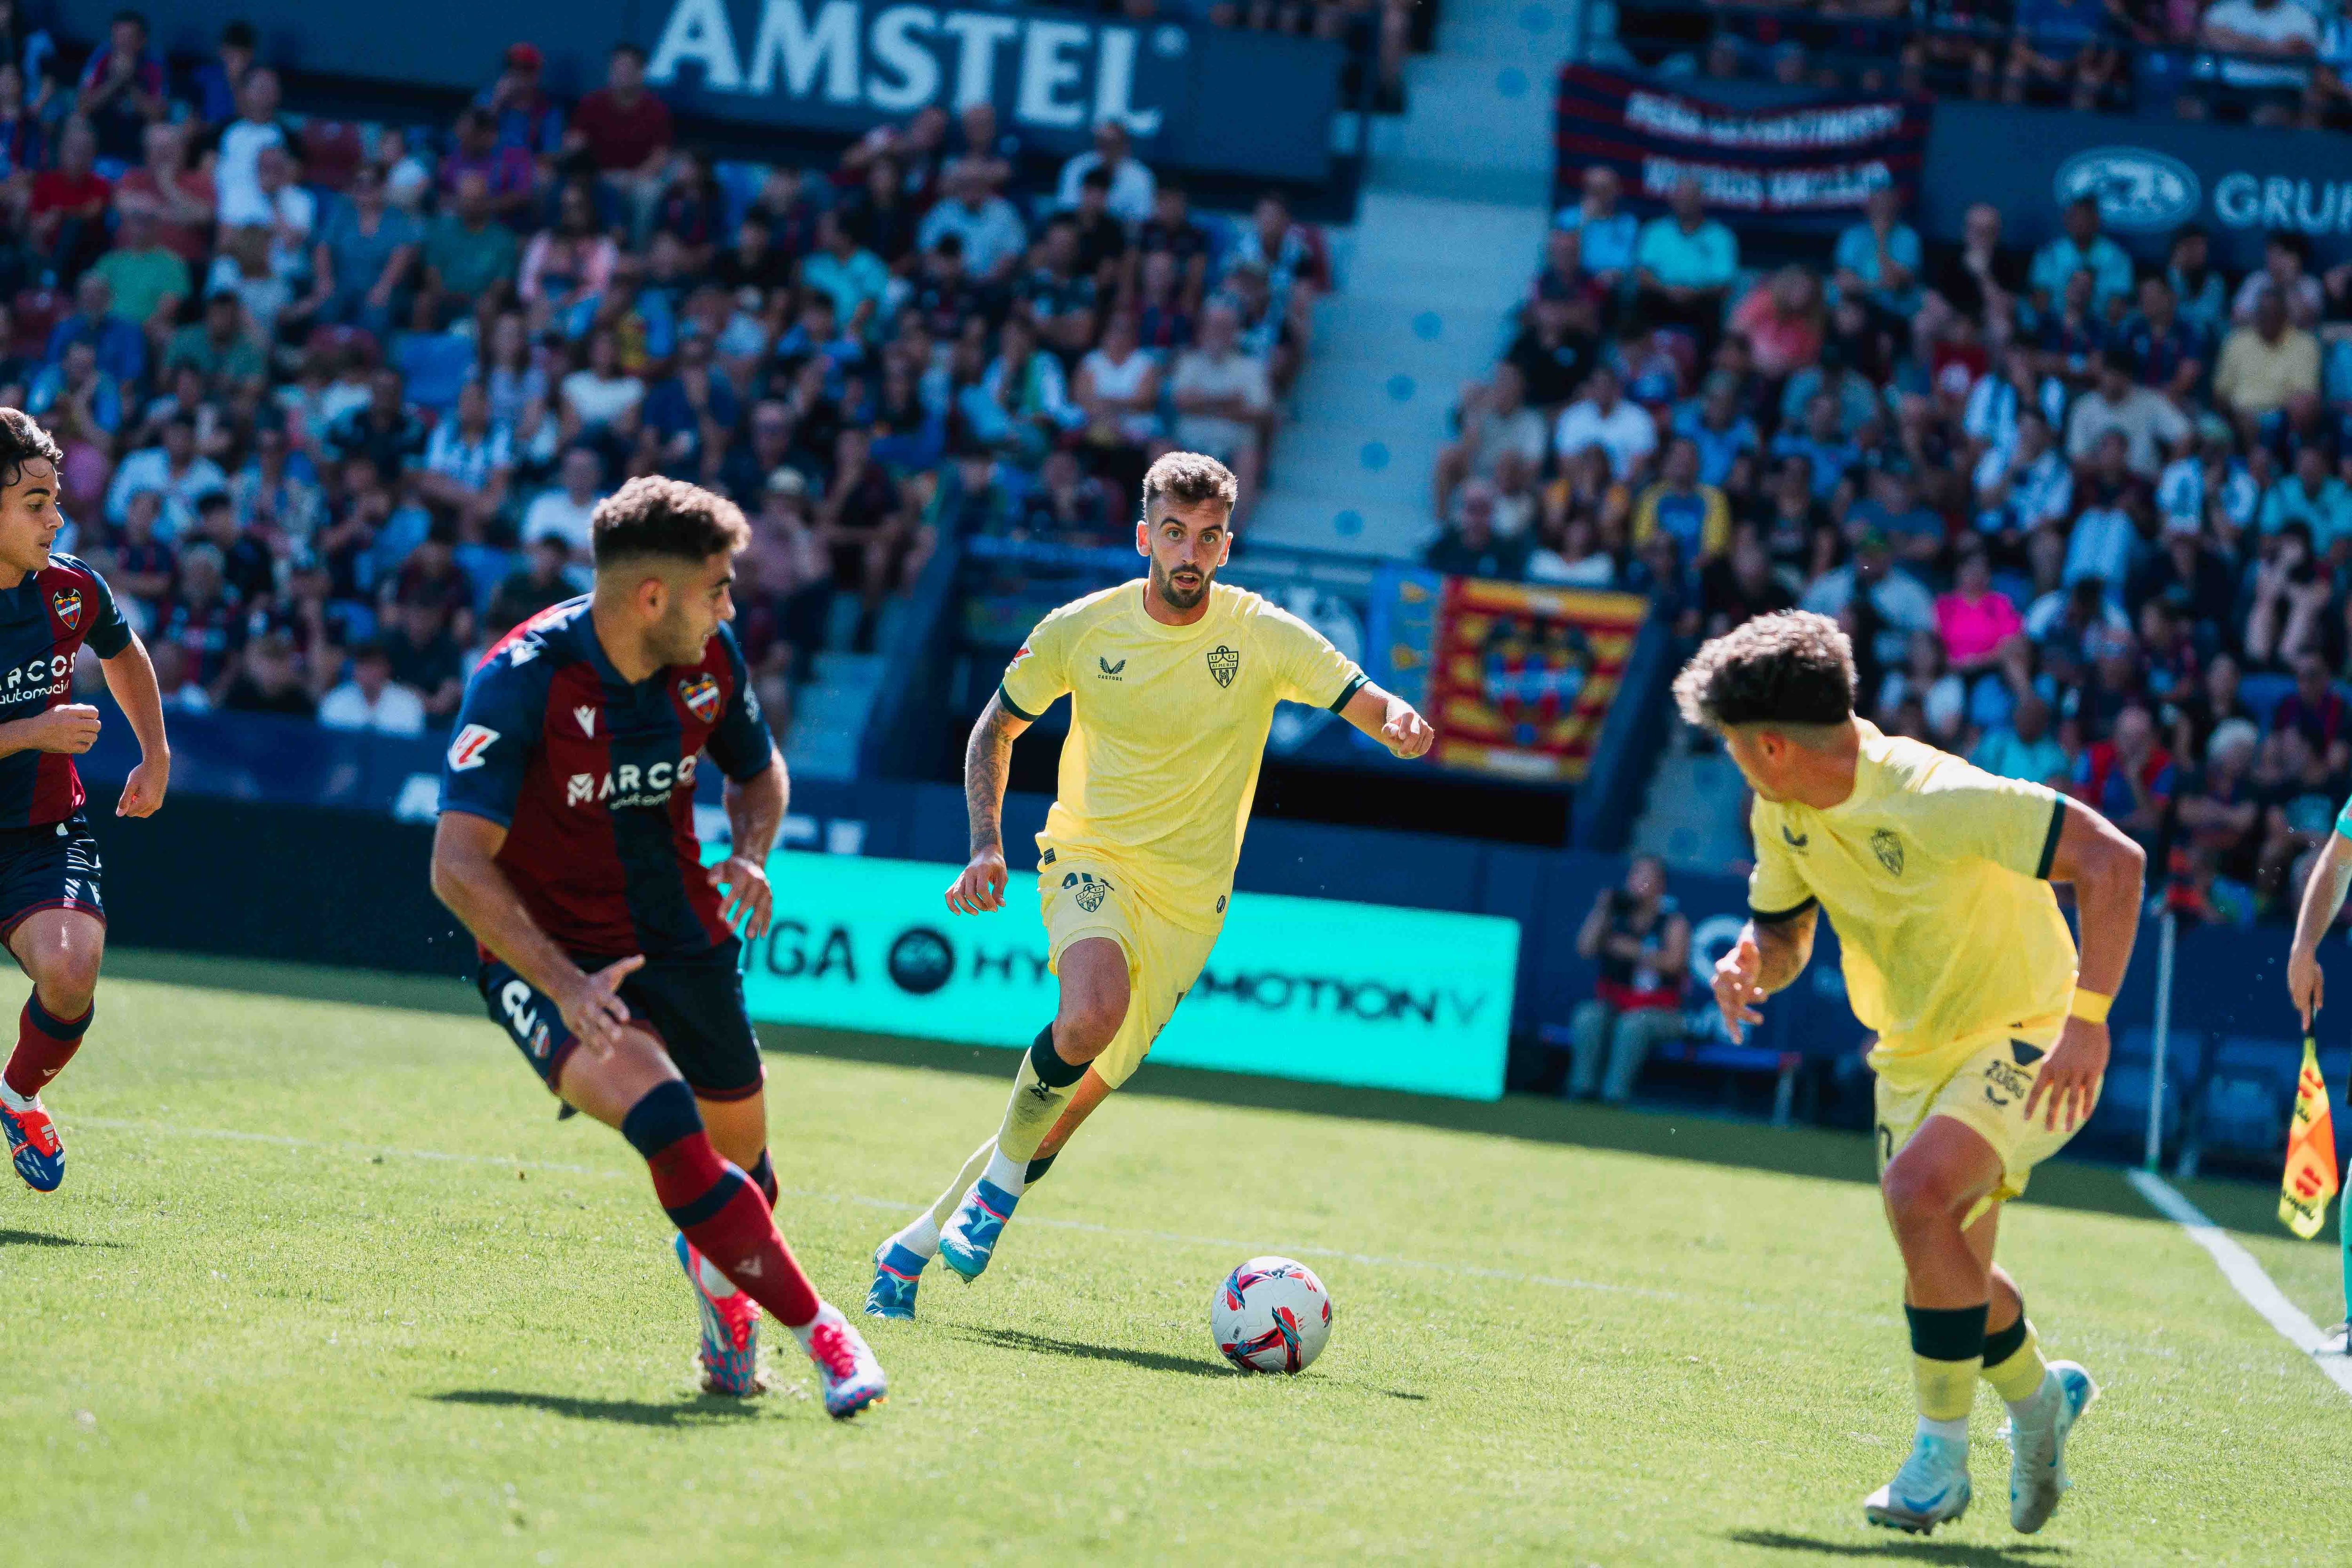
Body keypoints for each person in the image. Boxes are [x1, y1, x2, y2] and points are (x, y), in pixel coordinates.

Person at [866, 453, 1435, 1318]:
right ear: (1144, 536)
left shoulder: (1262, 632)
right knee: (1088, 1012)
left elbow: (1362, 698)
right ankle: (994, 1199)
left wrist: (1395, 719)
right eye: (1174, 532)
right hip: (1089, 858)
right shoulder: (1080, 627)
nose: (1189, 553)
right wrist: (986, 844)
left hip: (1190, 903)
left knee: (1061, 1109)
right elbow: (996, 726)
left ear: (1227, 546)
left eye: (1207, 537)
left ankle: (914, 1245)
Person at [429, 475, 886, 1414]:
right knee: (671, 1125)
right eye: (718, 585)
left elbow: (760, 779)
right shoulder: (524, 678)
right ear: (652, 596)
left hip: (683, 934)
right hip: (556, 954)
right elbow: (457, 865)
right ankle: (825, 1336)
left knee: (746, 1171)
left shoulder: (711, 655)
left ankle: (723, 1302)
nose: (730, 604)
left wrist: (752, 854)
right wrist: (559, 982)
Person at [1685, 610, 2142, 1536]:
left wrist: (2088, 1023)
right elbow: (1784, 931)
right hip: (1912, 1053)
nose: (1731, 759)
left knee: (1915, 1190)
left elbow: (2111, 860)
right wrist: (1747, 960)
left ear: (1770, 745)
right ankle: (2037, 1398)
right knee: (1949, 1263)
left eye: (1732, 743)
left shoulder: (1934, 793)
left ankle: (1938, 1457)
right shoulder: (1778, 808)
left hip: (2031, 1031)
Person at [0, 409, 172, 1194]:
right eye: (35, 503)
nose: (55, 517)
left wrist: (156, 751)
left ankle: (17, 1095)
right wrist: (34, 727)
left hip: (40, 832)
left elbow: (122, 651)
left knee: (72, 970)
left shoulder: (70, 590)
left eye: (56, 500)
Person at [1566, 856, 1691, 1103]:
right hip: (1615, 1003)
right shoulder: (1614, 916)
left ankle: (1614, 1097)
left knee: (1633, 1025)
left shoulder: (1673, 923)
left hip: (1661, 1011)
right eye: (1636, 876)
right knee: (1589, 1015)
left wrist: (1635, 951)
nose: (1639, 883)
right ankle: (1582, 1091)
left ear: (1661, 885)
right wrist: (1602, 909)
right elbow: (1585, 948)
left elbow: (1674, 963)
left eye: (1647, 878)